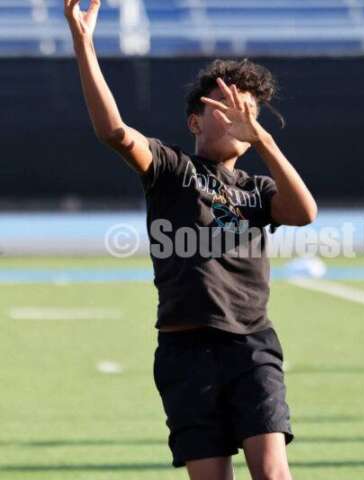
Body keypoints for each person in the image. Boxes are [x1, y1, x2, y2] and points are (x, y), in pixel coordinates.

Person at [65, 1, 317, 479]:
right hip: (185, 352)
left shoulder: (258, 191)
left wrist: (263, 140)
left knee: (274, 474)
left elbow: (305, 212)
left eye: (247, 110)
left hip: (251, 345)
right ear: (195, 122)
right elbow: (114, 132)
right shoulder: (171, 170)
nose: (237, 117)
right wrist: (84, 42)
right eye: (223, 107)